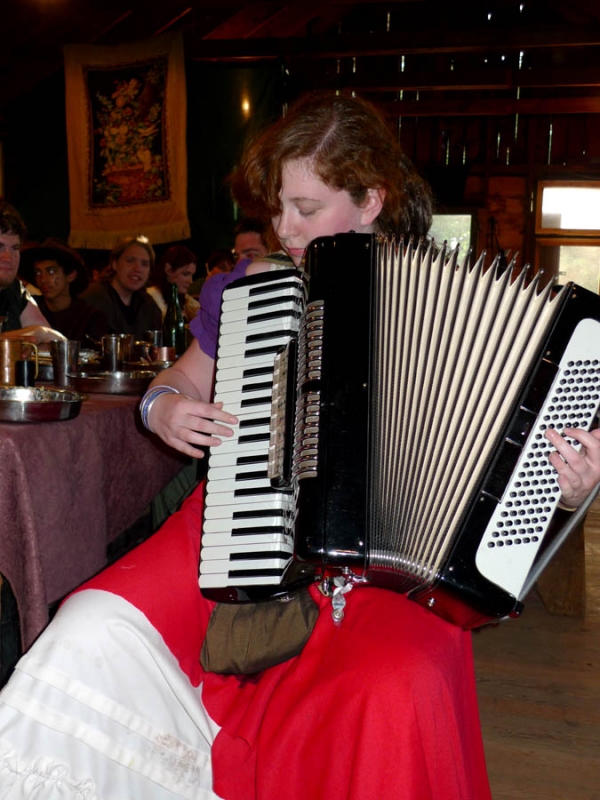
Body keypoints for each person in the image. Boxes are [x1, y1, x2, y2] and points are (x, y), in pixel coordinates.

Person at [1, 92, 599, 799]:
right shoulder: (258, 289)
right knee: (89, 627)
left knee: (390, 692)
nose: (281, 227)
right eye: (276, 205)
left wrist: (572, 487)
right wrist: (163, 410)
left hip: (393, 576)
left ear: (371, 197)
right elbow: (177, 383)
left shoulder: (469, 302)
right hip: (240, 518)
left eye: (304, 207)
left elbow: (538, 480)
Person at [19, 238, 108, 343]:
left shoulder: (89, 317)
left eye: (51, 271)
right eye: (38, 273)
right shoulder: (28, 308)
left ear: (71, 275)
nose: (43, 279)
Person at [0, 201, 65, 344]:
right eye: (0, 247)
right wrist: (38, 333)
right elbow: (40, 333)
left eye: (15, 248)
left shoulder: (15, 290)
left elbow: (58, 344)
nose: (8, 257)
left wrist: (41, 333)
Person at [80, 235, 161, 338]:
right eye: (130, 260)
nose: (138, 268)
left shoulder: (148, 305)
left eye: (144, 264)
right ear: (114, 263)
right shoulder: (92, 298)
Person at [147, 244, 200, 323]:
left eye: (192, 275)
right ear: (168, 270)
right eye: (185, 274)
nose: (190, 281)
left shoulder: (186, 301)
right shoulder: (150, 298)